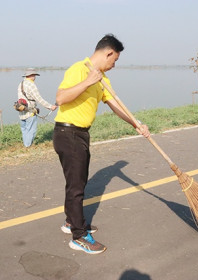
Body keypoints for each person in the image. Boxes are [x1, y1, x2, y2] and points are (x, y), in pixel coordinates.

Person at [53, 34, 151, 254]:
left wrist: (136, 123)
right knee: (76, 187)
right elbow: (60, 98)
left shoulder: (103, 79)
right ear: (108, 52)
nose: (114, 65)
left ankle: (71, 222)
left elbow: (115, 103)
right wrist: (88, 80)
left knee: (76, 183)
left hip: (80, 134)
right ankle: (78, 237)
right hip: (68, 132)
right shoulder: (79, 69)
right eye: (114, 60)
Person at [17, 68, 57, 147]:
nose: (35, 77)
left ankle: (26, 145)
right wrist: (50, 107)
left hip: (21, 110)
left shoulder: (21, 83)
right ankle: (28, 146)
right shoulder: (31, 85)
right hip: (30, 111)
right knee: (31, 130)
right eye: (34, 75)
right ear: (31, 75)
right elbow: (39, 99)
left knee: (24, 129)